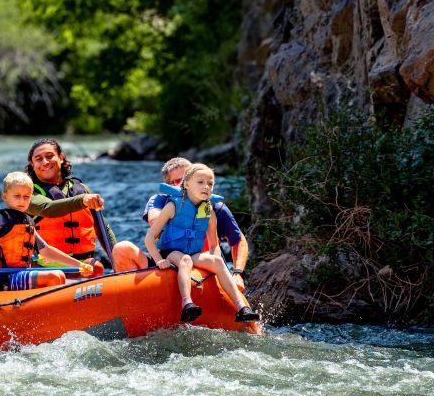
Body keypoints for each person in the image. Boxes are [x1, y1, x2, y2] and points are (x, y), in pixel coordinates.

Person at [144, 163, 259, 323]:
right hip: (170, 252)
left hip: (194, 253)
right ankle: (187, 303)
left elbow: (214, 244)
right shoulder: (172, 205)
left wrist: (214, 265)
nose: (206, 186)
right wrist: (159, 260)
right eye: (200, 182)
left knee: (217, 261)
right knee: (185, 260)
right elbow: (149, 238)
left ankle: (242, 308)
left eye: (210, 183)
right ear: (187, 184)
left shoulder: (209, 211)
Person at [113, 158, 251, 289]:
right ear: (169, 186)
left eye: (188, 178)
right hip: (168, 263)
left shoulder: (215, 207)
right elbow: (154, 220)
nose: (184, 183)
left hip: (203, 267)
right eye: (178, 180)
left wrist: (238, 273)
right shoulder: (161, 201)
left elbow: (238, 240)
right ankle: (135, 300)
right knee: (122, 249)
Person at [0, 172, 96, 290]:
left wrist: (79, 265)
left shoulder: (27, 221)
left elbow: (46, 250)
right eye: (17, 196)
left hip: (19, 274)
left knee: (58, 275)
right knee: (55, 276)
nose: (22, 201)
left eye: (26, 196)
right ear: (4, 196)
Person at [24, 138, 111, 273]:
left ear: (61, 157)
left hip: (83, 264)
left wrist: (115, 259)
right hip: (45, 266)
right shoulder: (28, 193)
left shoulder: (83, 190)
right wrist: (82, 200)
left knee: (98, 267)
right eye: (39, 159)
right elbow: (48, 208)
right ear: (32, 164)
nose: (45, 162)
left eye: (49, 156)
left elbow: (103, 229)